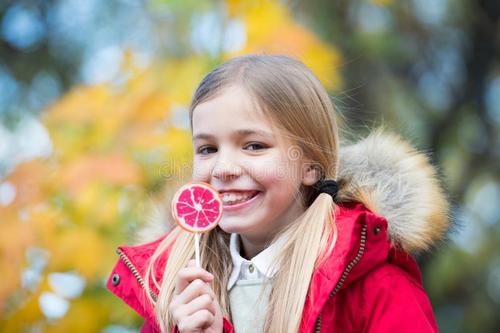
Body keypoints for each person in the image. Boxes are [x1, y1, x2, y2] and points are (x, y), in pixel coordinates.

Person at [107, 55, 450, 333]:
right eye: (208, 149)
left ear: (311, 166)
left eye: (254, 146)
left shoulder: (375, 287)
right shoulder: (174, 289)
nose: (223, 168)